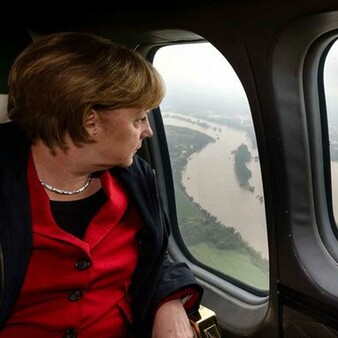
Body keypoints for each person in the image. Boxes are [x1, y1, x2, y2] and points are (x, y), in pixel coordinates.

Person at [0, 32, 203, 337]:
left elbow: (153, 258)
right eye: (139, 119)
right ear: (89, 122)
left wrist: (170, 304)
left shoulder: (138, 181)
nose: (147, 131)